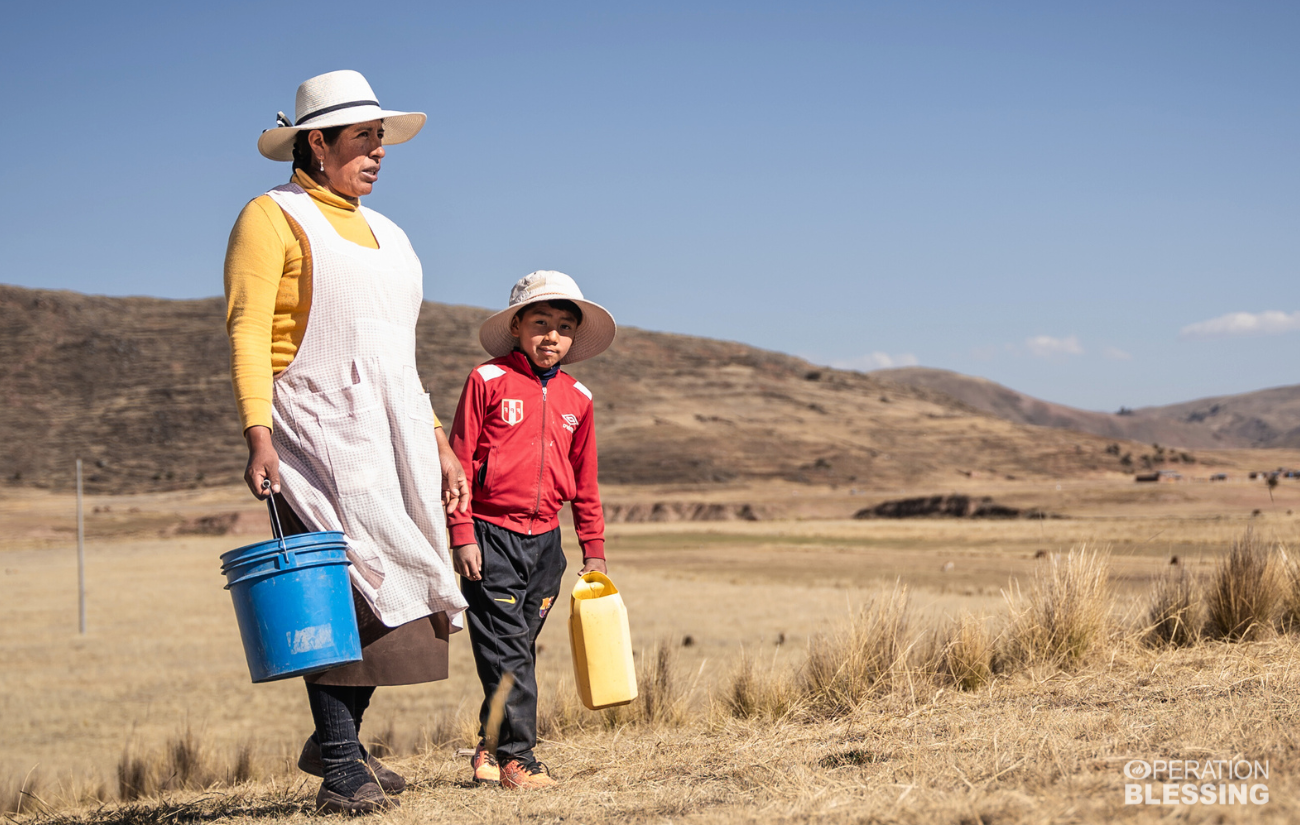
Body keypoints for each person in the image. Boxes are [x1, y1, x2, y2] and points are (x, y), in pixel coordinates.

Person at [223, 70, 468, 815]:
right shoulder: (270, 218)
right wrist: (258, 433)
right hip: (312, 430)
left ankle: (337, 745)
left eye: (380, 137)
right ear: (316, 143)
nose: (378, 150)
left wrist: (438, 442)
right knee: (342, 592)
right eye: (362, 137)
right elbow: (247, 330)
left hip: (391, 435)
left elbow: (400, 358)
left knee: (400, 583)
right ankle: (341, 768)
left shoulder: (393, 236)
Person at [447, 270, 616, 790]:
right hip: (490, 536)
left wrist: (594, 550)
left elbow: (585, 481)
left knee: (514, 650)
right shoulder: (486, 381)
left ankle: (490, 747)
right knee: (511, 651)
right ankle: (519, 760)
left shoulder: (579, 399)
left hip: (546, 546)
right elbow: (456, 462)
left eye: (564, 327)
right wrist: (461, 534)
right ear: (517, 326)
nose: (552, 336)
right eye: (541, 323)